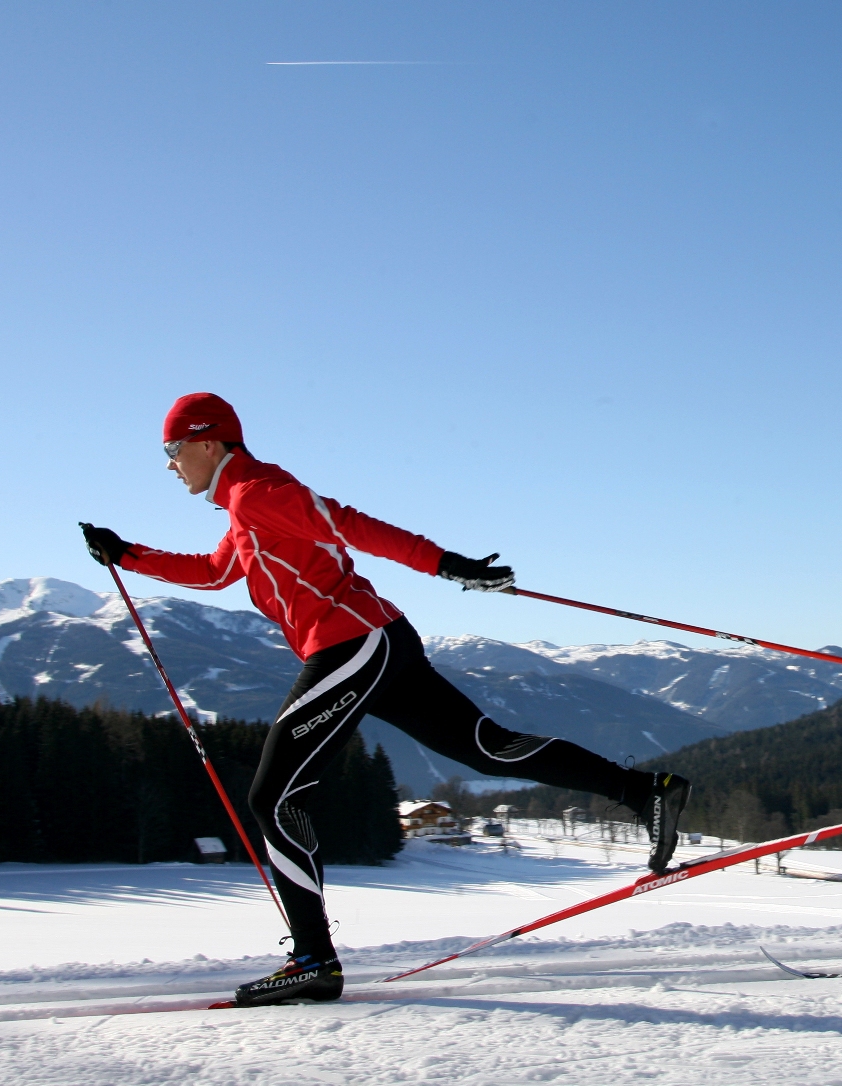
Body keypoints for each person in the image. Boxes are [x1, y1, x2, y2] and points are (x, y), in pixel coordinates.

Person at [82, 392, 690, 1005]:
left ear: (208, 442)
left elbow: (347, 523)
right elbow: (213, 572)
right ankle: (645, 792)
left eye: (172, 449)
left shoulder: (257, 493)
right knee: (488, 748)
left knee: (273, 794)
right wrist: (126, 553)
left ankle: (313, 960)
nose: (169, 464)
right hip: (377, 640)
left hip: (352, 644)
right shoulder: (243, 510)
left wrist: (445, 564)